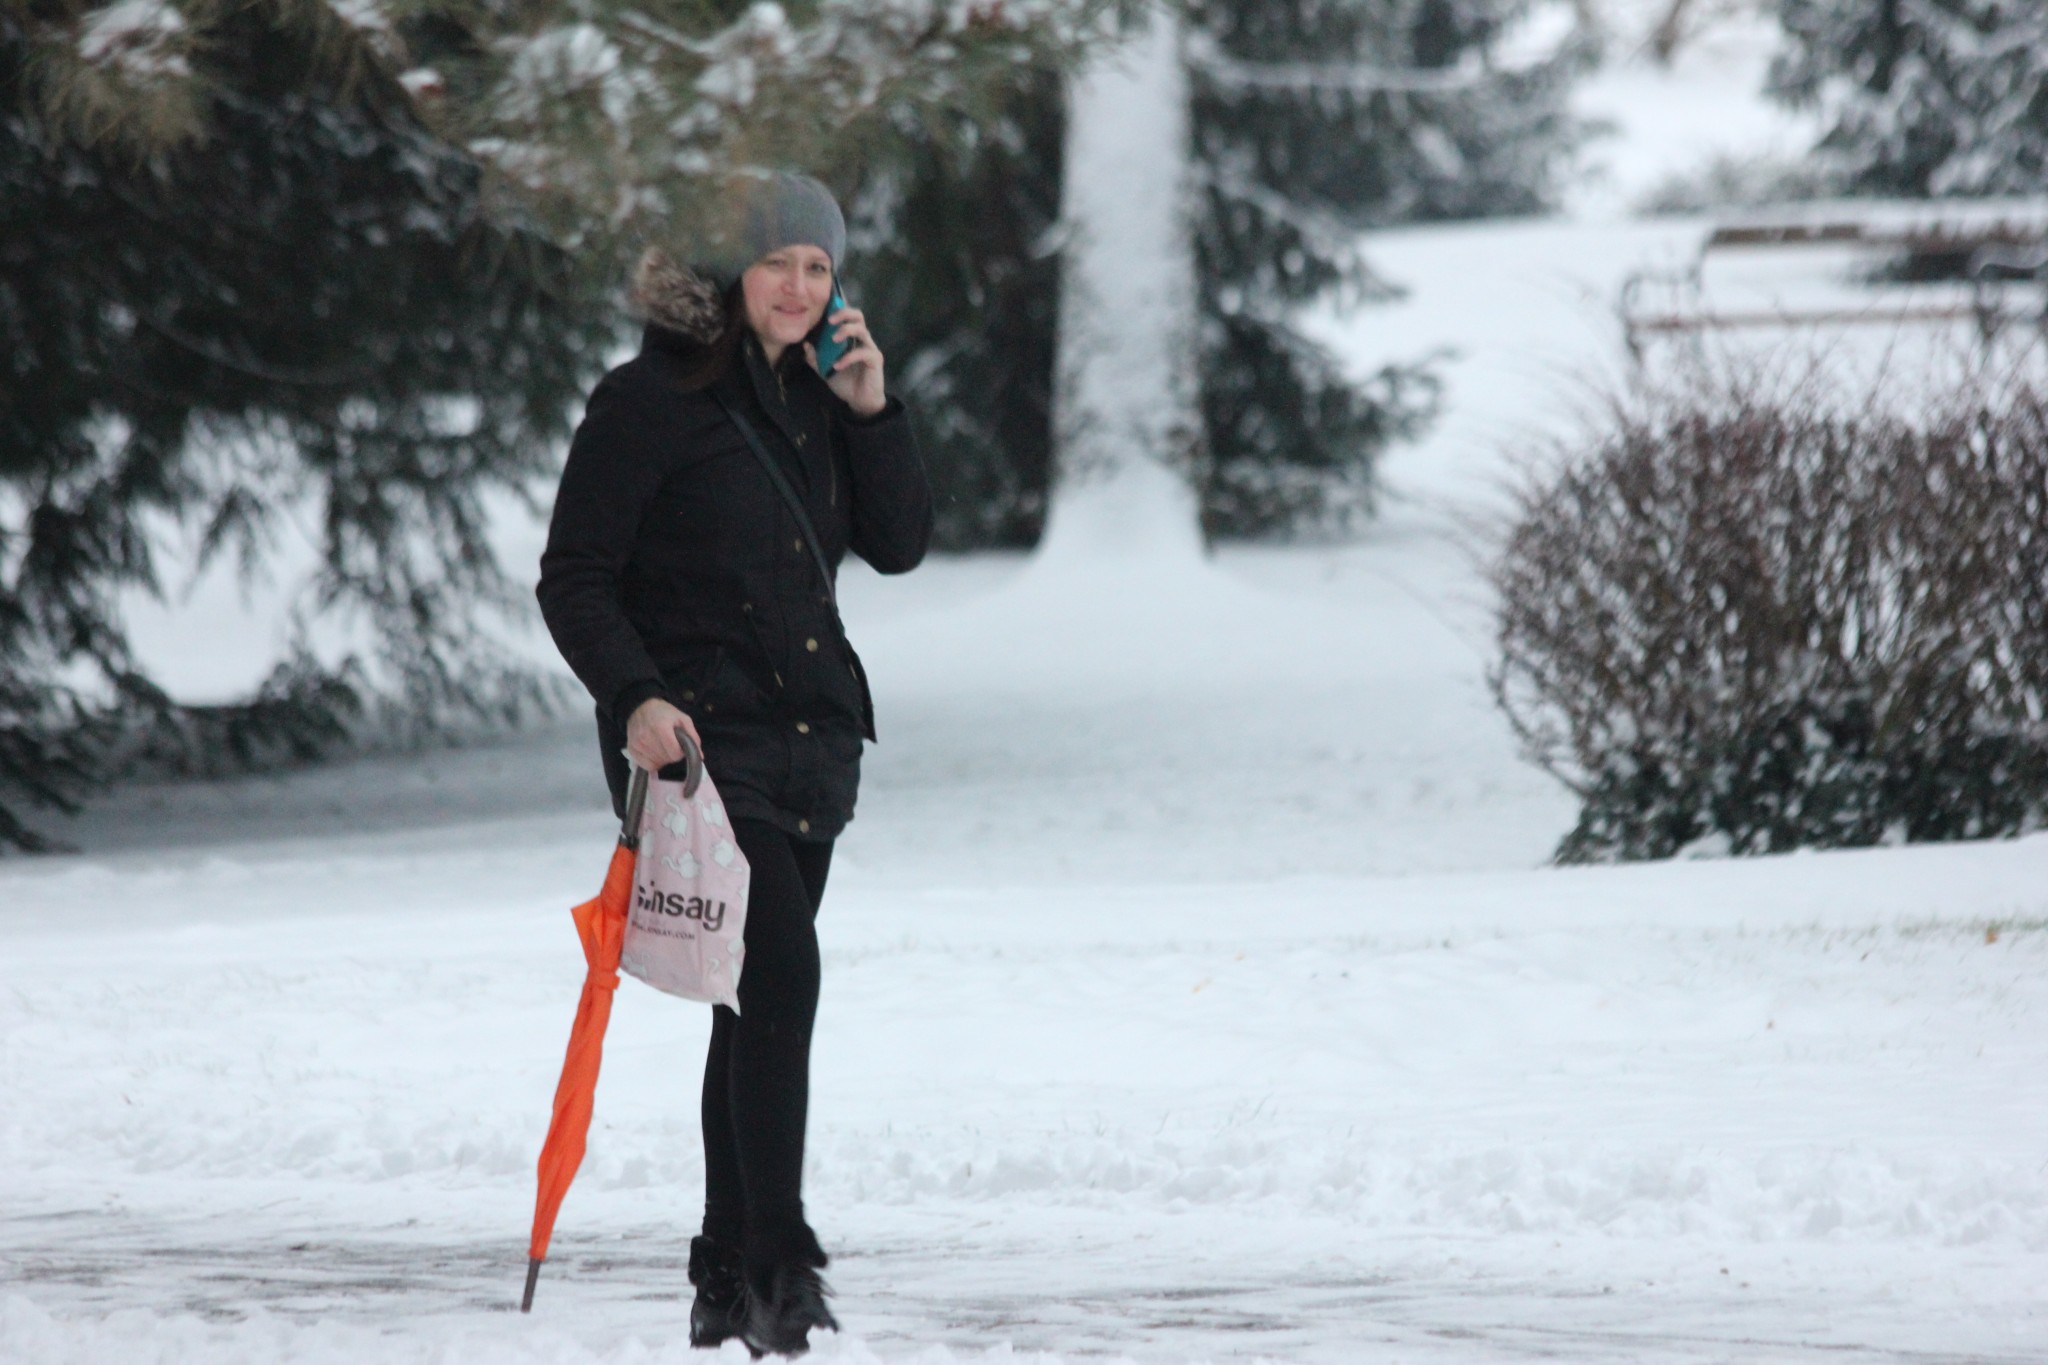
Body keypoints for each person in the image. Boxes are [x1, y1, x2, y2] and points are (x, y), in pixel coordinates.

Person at [536, 172, 932, 1356]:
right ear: (727, 274)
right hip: (701, 748)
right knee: (784, 976)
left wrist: (870, 410)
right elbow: (574, 577)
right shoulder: (646, 401)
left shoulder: (818, 396)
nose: (799, 289)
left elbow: (900, 544)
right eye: (776, 266)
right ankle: (775, 1262)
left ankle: (720, 1270)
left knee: (750, 1003)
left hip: (811, 739)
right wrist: (635, 696)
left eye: (818, 268)